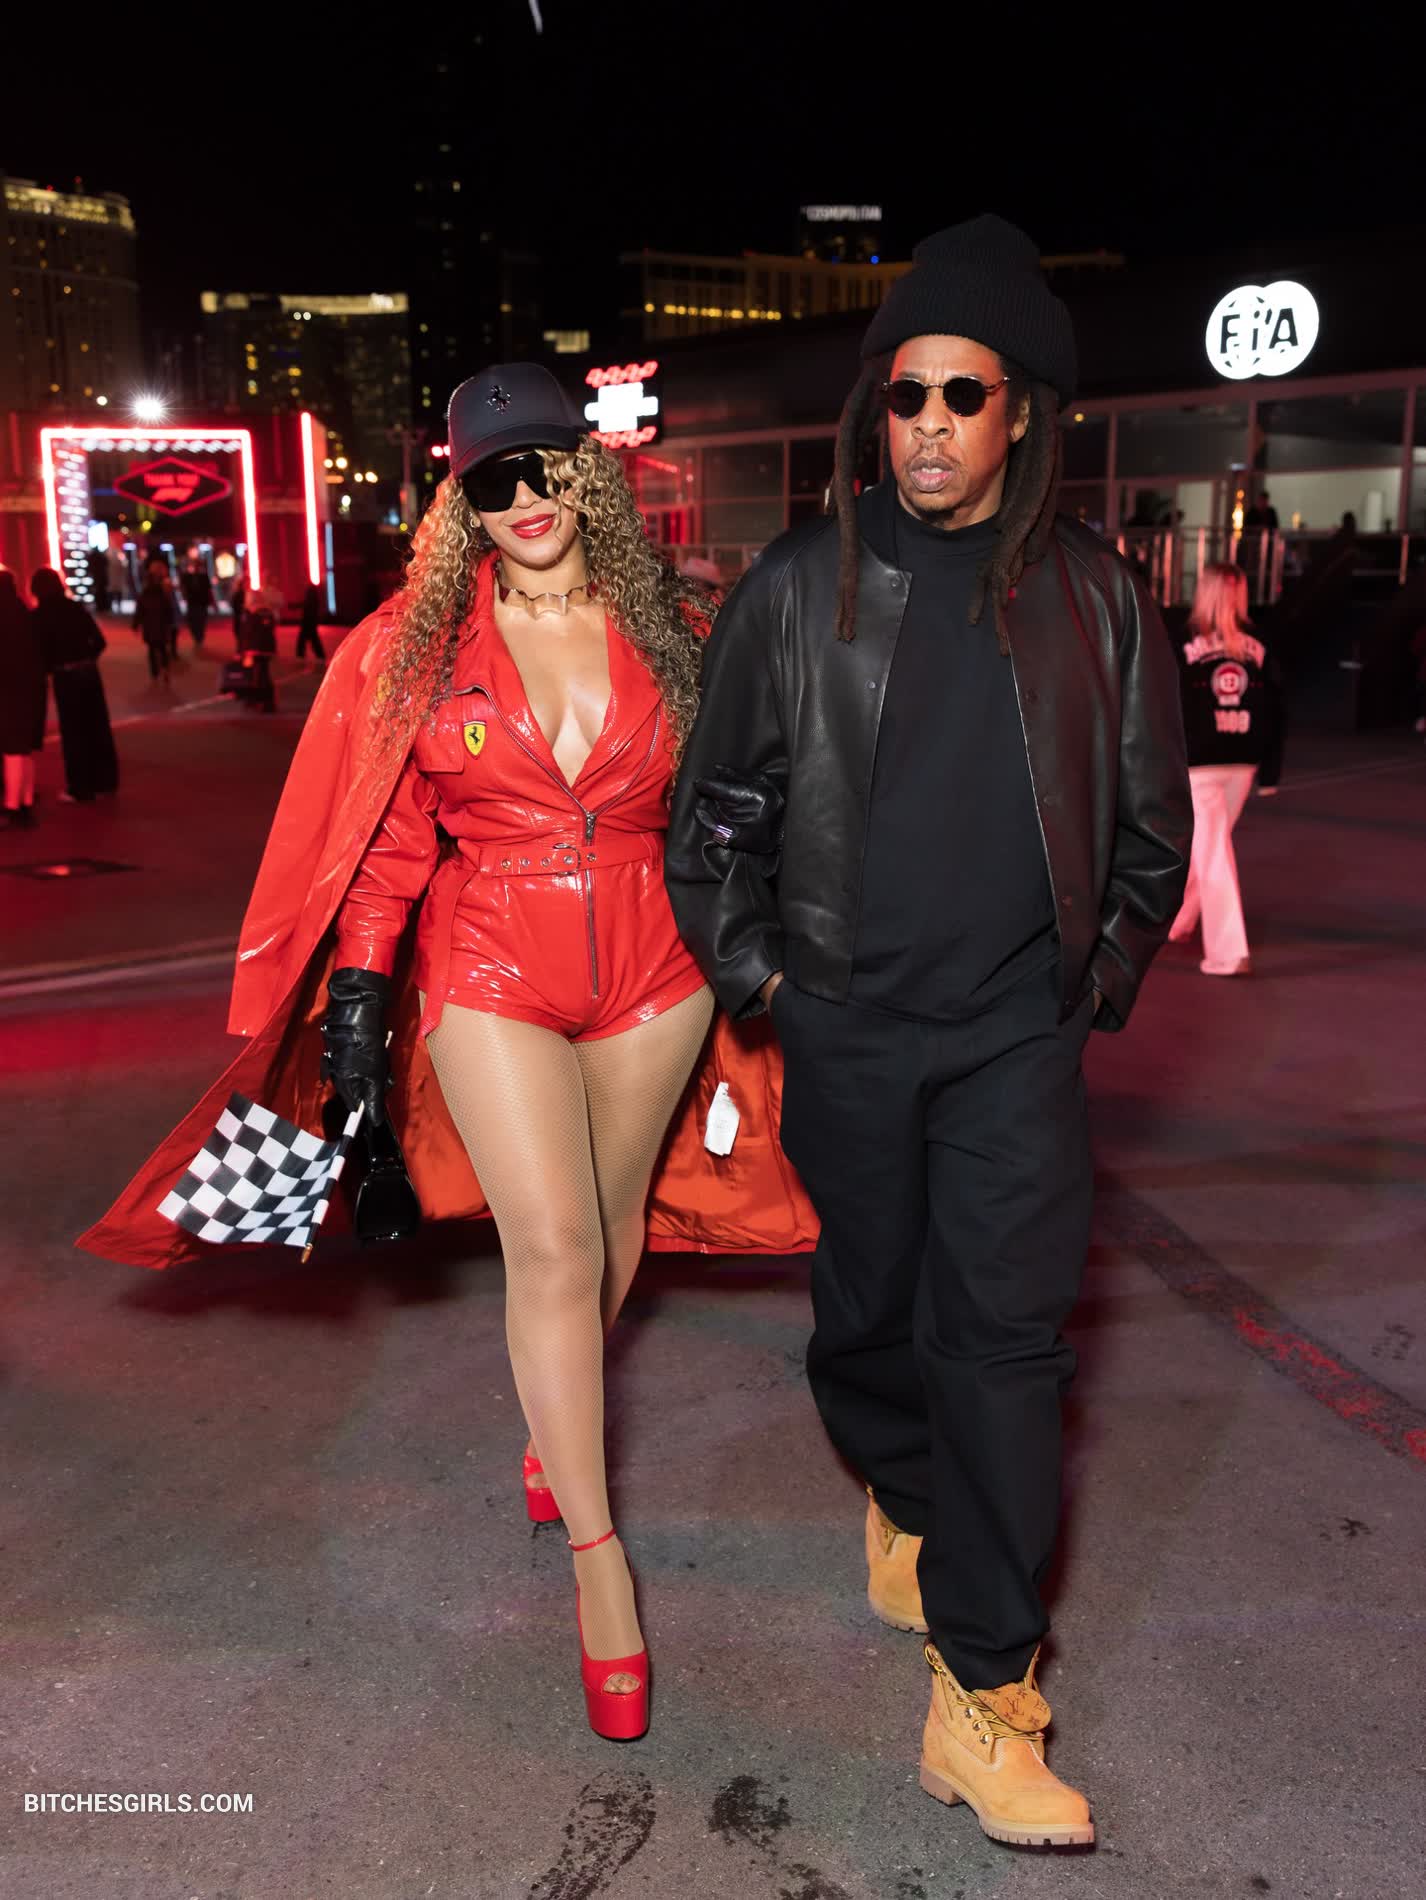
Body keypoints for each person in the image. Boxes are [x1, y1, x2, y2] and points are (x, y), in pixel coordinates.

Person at [77, 363, 817, 1745]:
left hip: (657, 972)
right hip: (492, 966)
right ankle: (600, 1563)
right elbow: (384, 850)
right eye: (492, 479)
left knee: (610, 1228)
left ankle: (556, 1422)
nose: (524, 497)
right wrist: (358, 1015)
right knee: (552, 1245)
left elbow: (742, 802)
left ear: (587, 474)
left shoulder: (681, 629)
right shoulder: (414, 647)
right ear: (459, 504)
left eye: (546, 466)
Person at [667, 214, 1192, 1850]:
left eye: (965, 395)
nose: (932, 426)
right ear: (875, 409)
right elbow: (714, 817)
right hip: (844, 1028)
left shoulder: (1096, 599)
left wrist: (1092, 984)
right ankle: (896, 1484)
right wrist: (764, 982)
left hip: (1014, 1047)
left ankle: (984, 1697)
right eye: (906, 396)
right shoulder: (794, 589)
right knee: (870, 1323)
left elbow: (1150, 830)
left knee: (1006, 1352)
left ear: (1019, 409)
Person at [1169, 562, 1281, 974]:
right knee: (1211, 845)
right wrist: (1270, 771)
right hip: (1242, 761)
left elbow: (1166, 703)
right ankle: (1179, 920)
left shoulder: (1183, 641)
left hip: (1202, 762)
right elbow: (1276, 708)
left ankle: (1228, 952)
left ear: (1205, 591)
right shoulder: (1258, 641)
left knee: (1212, 848)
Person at [30, 567, 119, 802]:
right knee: (97, 727)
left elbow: (38, 652)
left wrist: (51, 668)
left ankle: (80, 786)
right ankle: (105, 780)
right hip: (88, 673)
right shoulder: (75, 608)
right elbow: (99, 641)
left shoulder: (39, 616)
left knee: (74, 732)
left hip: (65, 676)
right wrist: (87, 657)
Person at [0, 570, 46, 828]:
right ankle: (25, 802)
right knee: (24, 749)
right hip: (29, 688)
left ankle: (12, 807)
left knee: (12, 750)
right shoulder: (23, 612)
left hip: (9, 689)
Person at [237, 584, 279, 712]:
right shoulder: (267, 612)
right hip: (265, 650)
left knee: (258, 676)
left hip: (255, 651)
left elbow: (249, 634)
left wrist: (245, 652)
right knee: (262, 675)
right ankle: (264, 701)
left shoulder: (253, 614)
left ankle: (262, 701)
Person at [136, 559, 178, 681]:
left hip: (151, 623)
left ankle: (155, 671)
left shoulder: (148, 591)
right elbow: (169, 608)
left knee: (153, 648)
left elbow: (140, 608)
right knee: (161, 647)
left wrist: (136, 623)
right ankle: (163, 668)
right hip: (160, 623)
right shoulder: (162, 589)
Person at [180, 556, 213, 648]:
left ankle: (199, 636)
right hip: (192, 602)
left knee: (201, 620)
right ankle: (196, 636)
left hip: (201, 603)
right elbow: (184, 588)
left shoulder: (203, 577)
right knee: (193, 621)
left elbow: (208, 589)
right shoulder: (187, 576)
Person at [294, 581, 327, 664]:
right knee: (313, 641)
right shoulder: (314, 599)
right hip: (311, 623)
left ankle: (301, 656)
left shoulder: (310, 599)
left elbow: (304, 606)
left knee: (304, 641)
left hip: (307, 623)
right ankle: (320, 656)